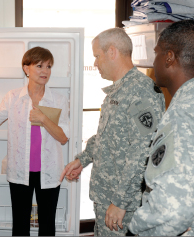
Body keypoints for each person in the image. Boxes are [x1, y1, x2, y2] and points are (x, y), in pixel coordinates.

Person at [128, 20, 194, 236]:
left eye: (156, 52)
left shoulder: (182, 115)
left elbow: (173, 209)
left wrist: (136, 229)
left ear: (169, 57)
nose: (153, 61)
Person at [60, 28, 165, 236]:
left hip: (121, 205)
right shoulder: (119, 90)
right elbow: (107, 136)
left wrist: (120, 202)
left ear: (112, 52)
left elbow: (143, 151)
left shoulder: (140, 91)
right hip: (106, 196)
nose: (95, 63)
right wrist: (83, 159)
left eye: (97, 56)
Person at [0, 47, 69, 236]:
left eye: (48, 66)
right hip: (19, 171)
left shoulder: (58, 100)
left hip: (49, 171)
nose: (45, 71)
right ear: (26, 68)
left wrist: (43, 119)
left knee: (47, 225)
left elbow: (63, 137)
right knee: (20, 225)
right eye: (39, 66)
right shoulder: (13, 97)